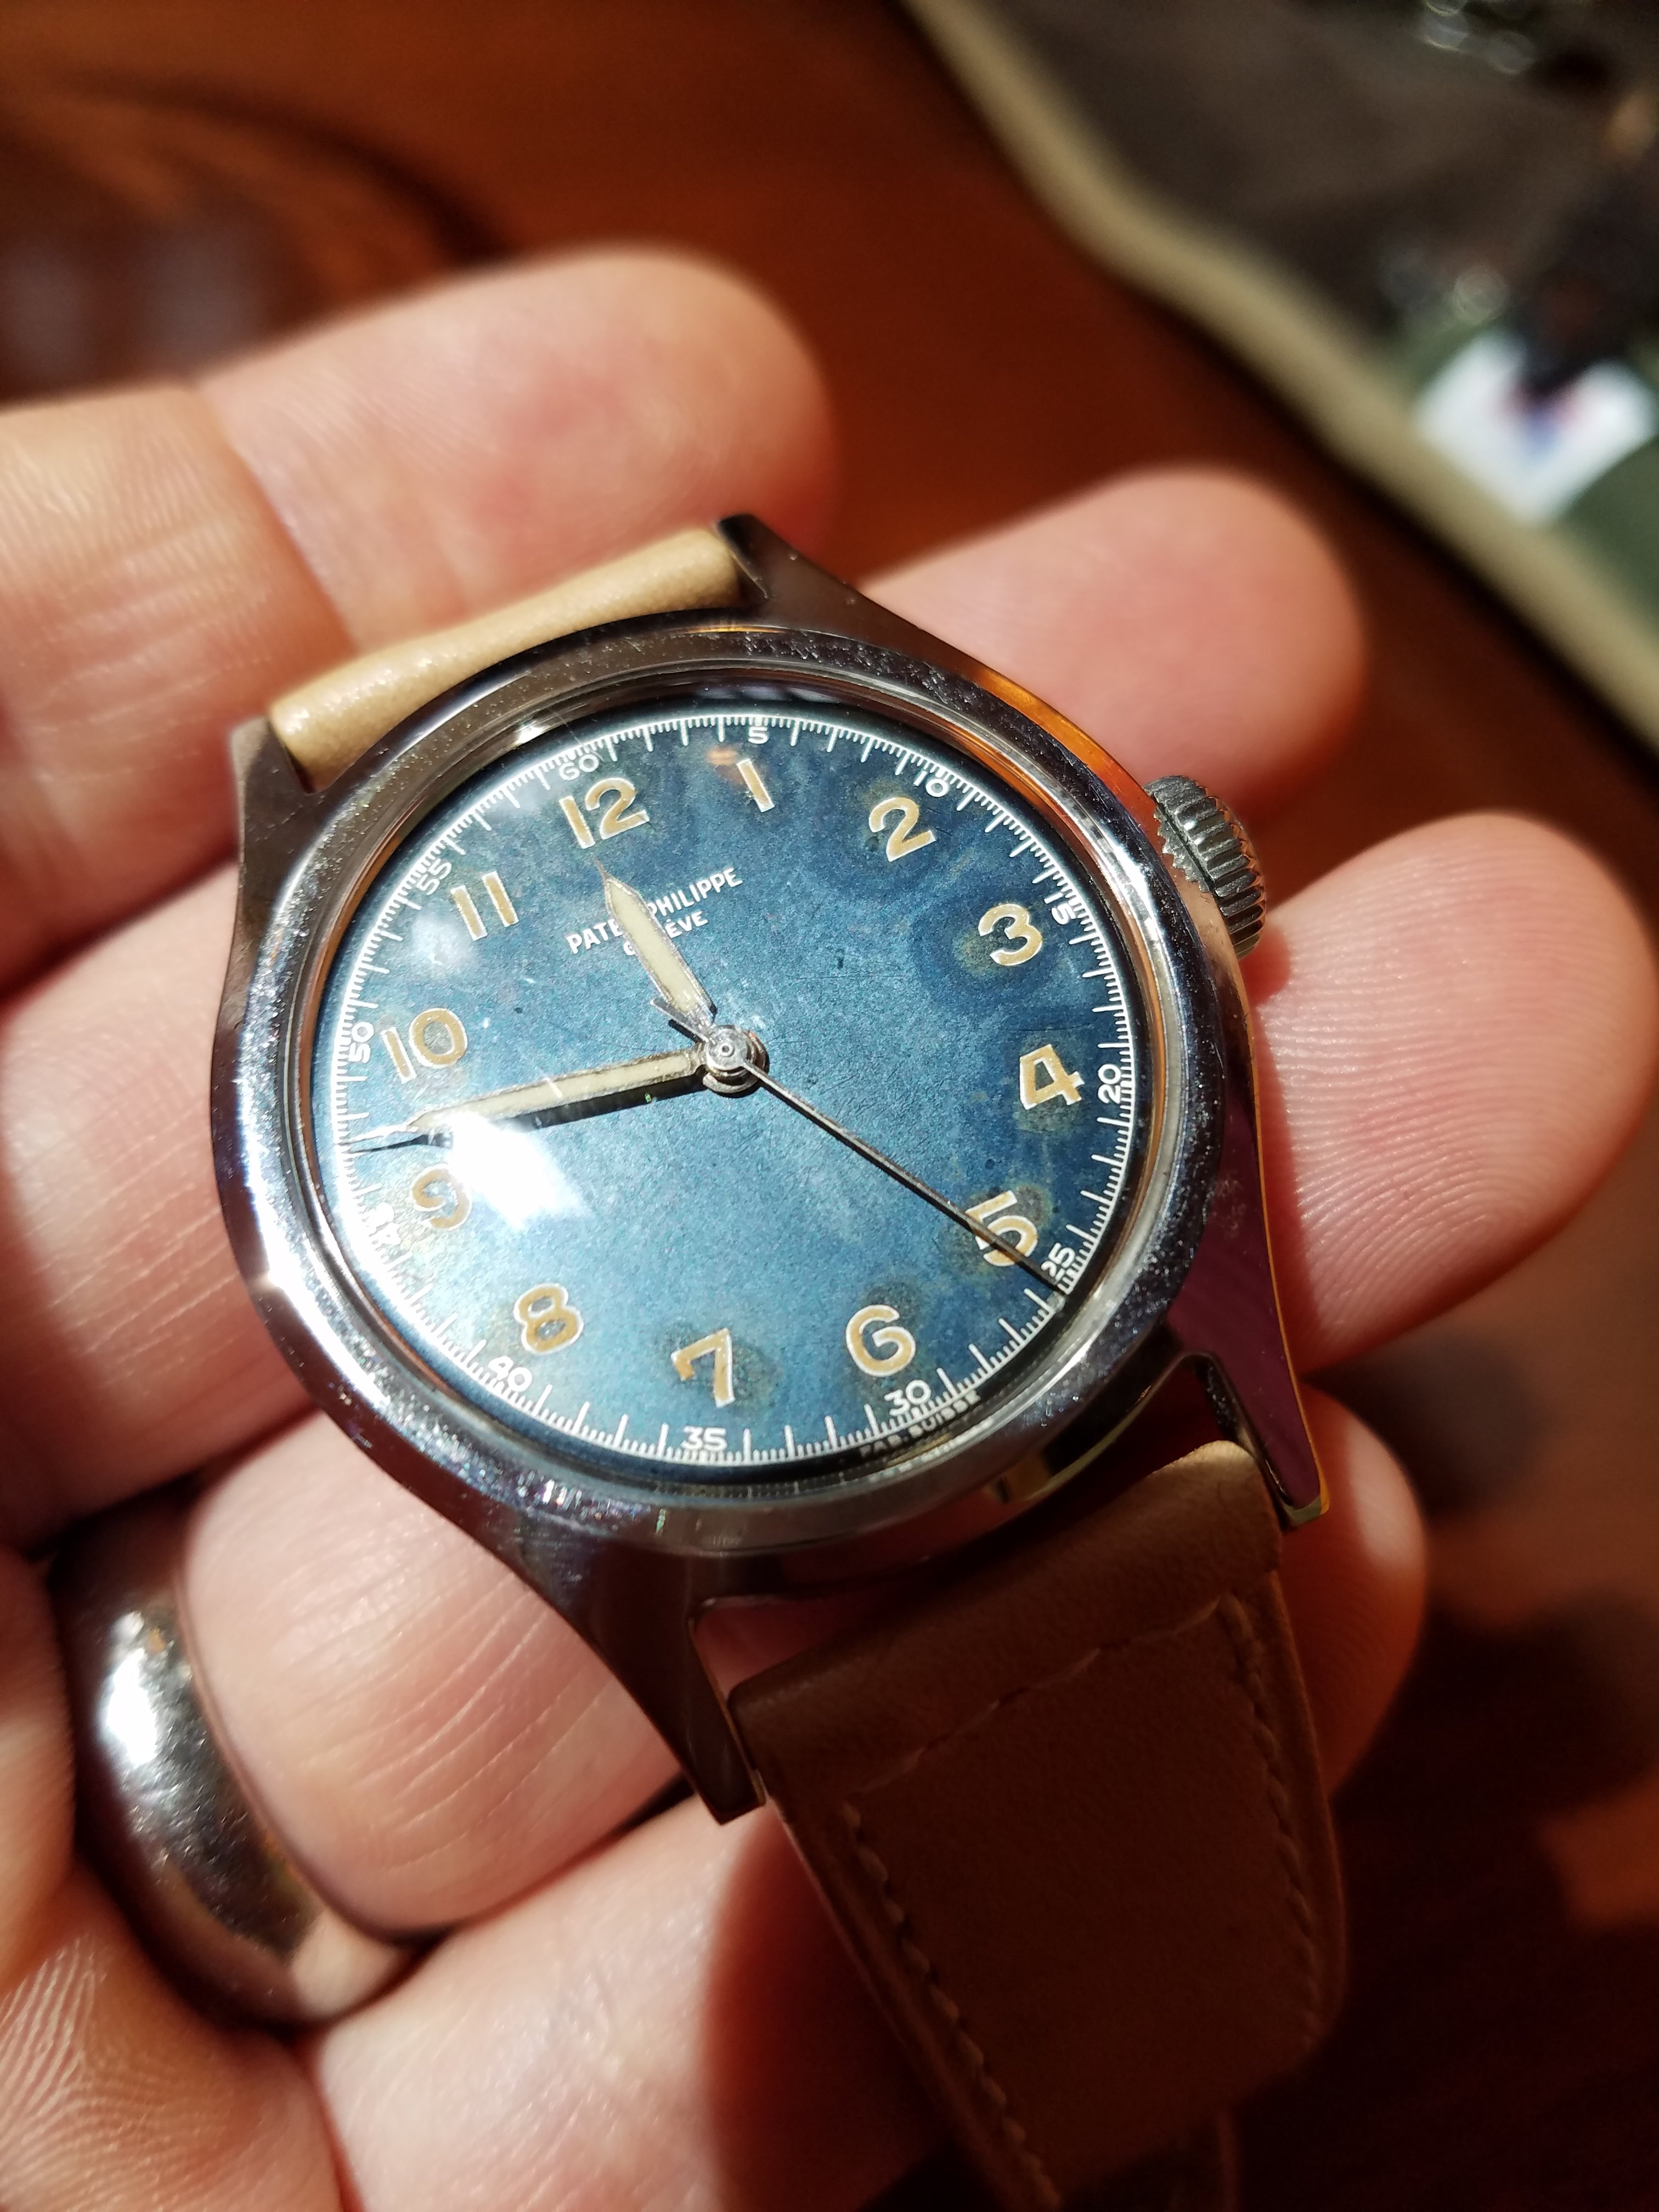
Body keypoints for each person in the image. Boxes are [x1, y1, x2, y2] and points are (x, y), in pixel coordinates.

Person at [0, 249, 1652, 2212]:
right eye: (698, 1053)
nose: (724, 1058)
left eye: (716, 1048)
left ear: (1174, 885)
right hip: (765, 1531)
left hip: (1101, 1363)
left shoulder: (799, 663)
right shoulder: (367, 1078)